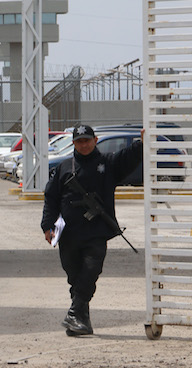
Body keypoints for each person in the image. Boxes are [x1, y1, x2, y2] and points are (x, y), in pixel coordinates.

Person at [40, 124, 143, 336]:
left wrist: (142, 144)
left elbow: (127, 157)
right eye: (79, 141)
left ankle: (74, 314)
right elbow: (51, 198)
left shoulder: (107, 163)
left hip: (96, 233)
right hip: (68, 235)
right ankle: (80, 321)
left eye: (87, 140)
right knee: (75, 277)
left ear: (95, 141)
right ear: (73, 143)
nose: (84, 144)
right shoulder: (64, 167)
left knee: (90, 271)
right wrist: (47, 225)